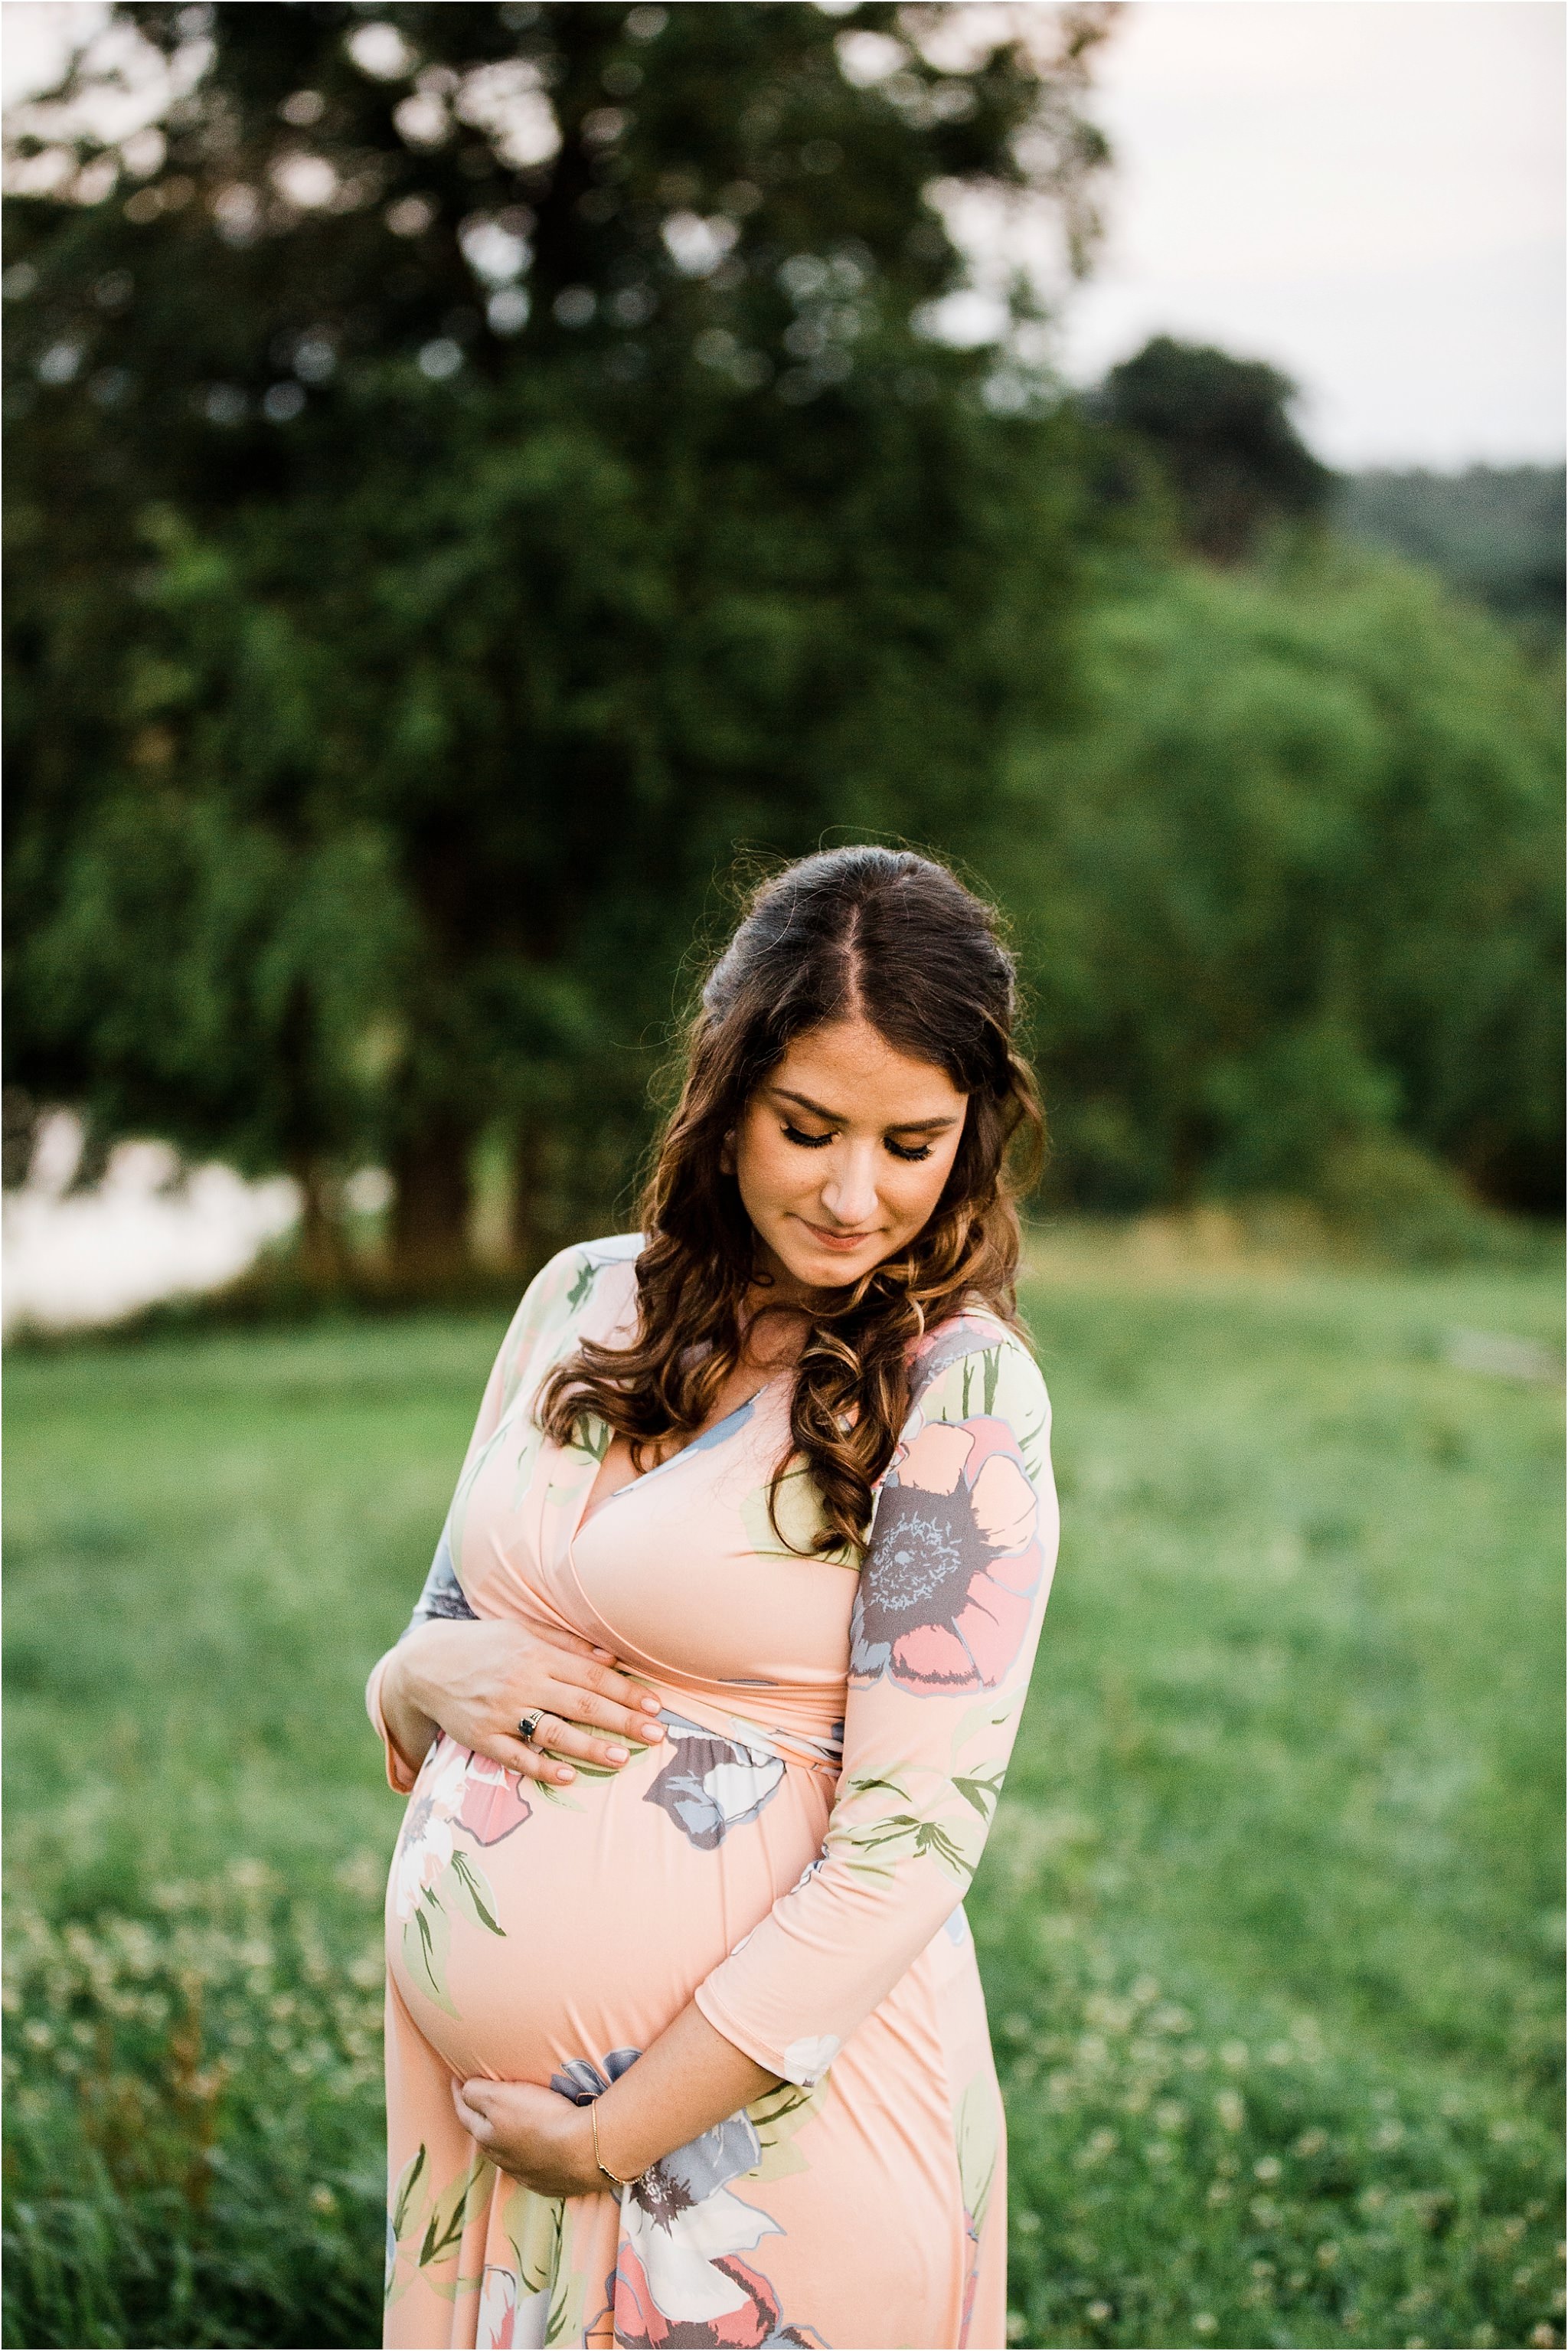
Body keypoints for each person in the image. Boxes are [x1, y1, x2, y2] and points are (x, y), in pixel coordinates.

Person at [367, 845, 1060, 2351]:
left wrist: (614, 2136)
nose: (852, 1190)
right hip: (500, 2159)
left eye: (912, 1141)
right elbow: (444, 1611)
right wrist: (407, 1681)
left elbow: (910, 1848)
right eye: (807, 1126)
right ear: (725, 1083)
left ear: (971, 1131)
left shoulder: (958, 1390)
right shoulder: (575, 1297)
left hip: (765, 2158)